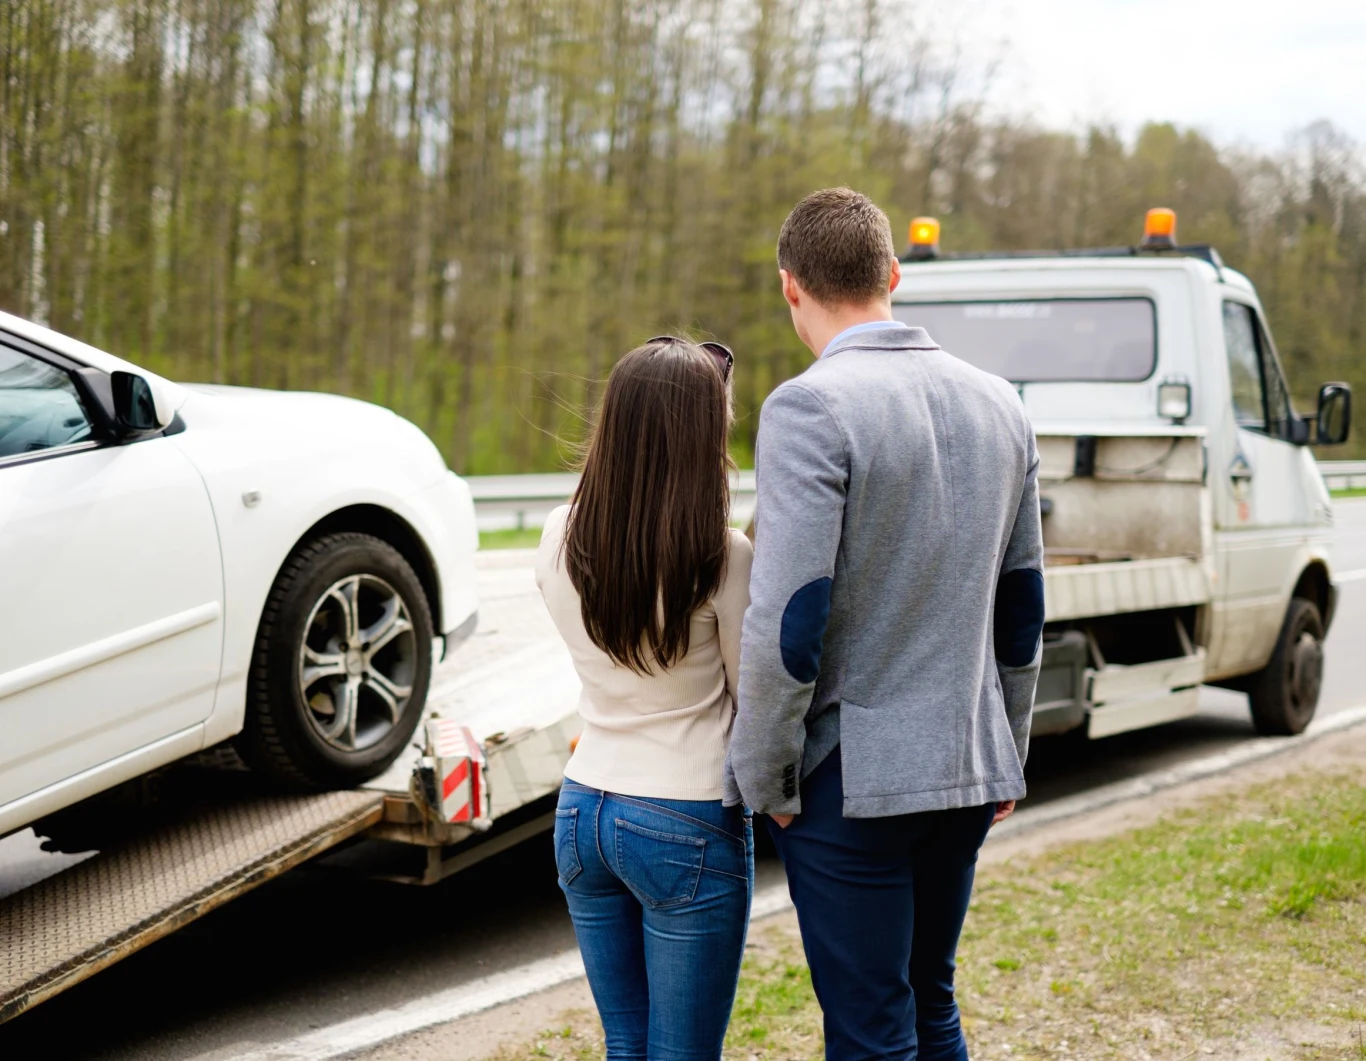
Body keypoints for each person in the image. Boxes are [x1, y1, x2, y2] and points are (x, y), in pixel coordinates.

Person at [727, 188, 1044, 1061]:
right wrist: (1007, 744)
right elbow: (1022, 603)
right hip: (968, 765)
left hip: (849, 779)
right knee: (929, 1003)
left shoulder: (809, 407)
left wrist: (765, 775)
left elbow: (791, 616)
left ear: (790, 287)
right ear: (893, 275)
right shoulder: (1002, 404)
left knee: (871, 1027)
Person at [537, 336, 754, 1061]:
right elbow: (750, 693)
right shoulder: (721, 555)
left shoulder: (559, 534)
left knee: (626, 1043)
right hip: (683, 813)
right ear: (702, 437)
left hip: (582, 807)